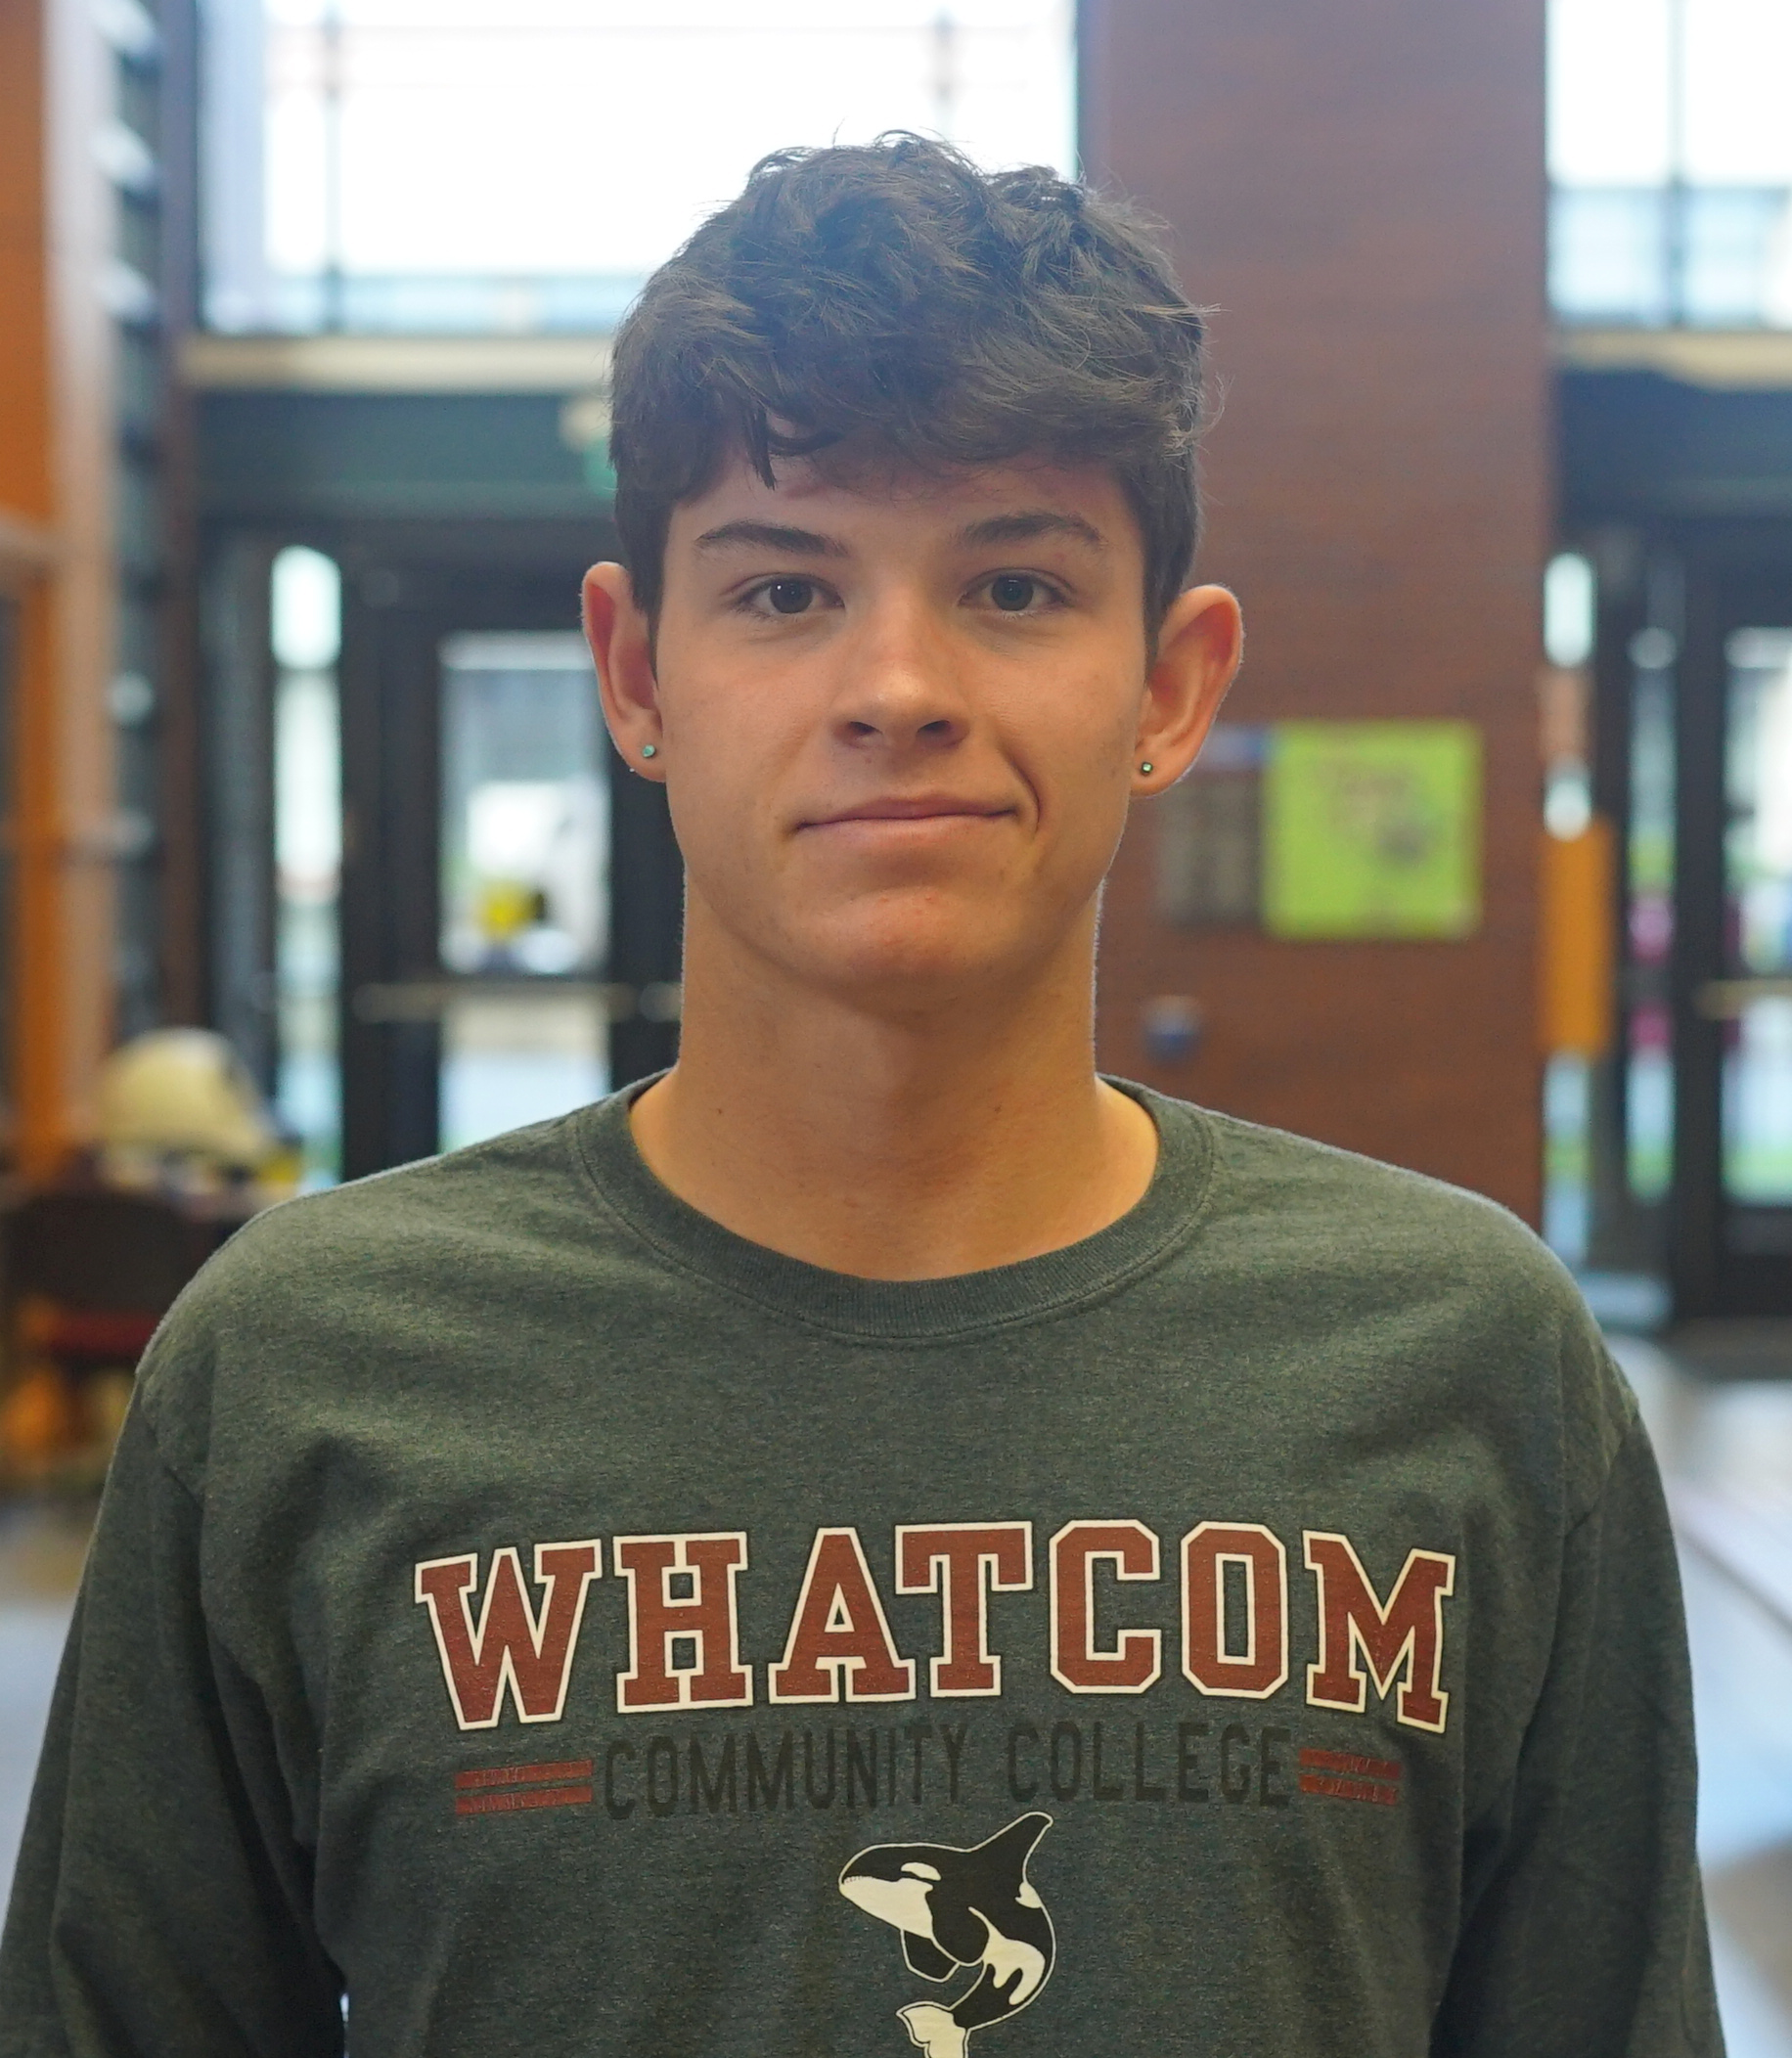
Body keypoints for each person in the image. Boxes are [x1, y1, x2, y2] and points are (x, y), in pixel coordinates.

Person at [1, 136, 1718, 2058]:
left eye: (1010, 581)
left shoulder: (1469, 1360)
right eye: (786, 589)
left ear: (1168, 682)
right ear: (635, 669)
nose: (897, 682)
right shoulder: (302, 1371)